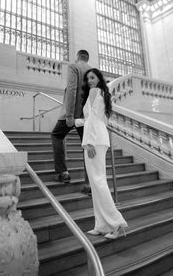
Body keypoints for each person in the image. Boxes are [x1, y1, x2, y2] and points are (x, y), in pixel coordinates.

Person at [76, 68, 128, 239]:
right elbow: (99, 119)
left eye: (93, 77)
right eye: (88, 78)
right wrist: (79, 122)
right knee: (97, 182)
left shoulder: (94, 92)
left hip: (94, 141)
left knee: (98, 182)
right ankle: (101, 225)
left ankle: (117, 224)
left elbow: (92, 119)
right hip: (100, 138)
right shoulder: (102, 94)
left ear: (99, 78)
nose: (90, 80)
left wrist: (88, 142)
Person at [51, 49, 91, 194]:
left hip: (73, 115)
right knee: (86, 147)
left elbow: (72, 90)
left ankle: (63, 173)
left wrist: (69, 116)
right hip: (86, 117)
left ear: (77, 57)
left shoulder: (74, 67)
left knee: (56, 135)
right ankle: (89, 185)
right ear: (87, 58)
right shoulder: (93, 71)